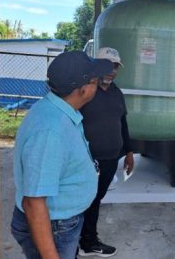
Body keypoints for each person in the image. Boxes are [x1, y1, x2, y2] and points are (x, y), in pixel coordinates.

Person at [11, 51, 114, 259]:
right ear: (83, 89)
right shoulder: (51, 131)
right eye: (95, 81)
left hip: (60, 221)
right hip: (54, 225)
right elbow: (34, 202)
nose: (98, 86)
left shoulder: (58, 110)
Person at [78, 47, 134, 257]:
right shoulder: (84, 91)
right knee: (84, 199)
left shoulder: (116, 92)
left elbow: (123, 123)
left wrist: (129, 152)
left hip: (111, 158)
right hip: (87, 159)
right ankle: (84, 241)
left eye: (115, 66)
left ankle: (86, 241)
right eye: (107, 66)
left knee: (95, 199)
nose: (112, 71)